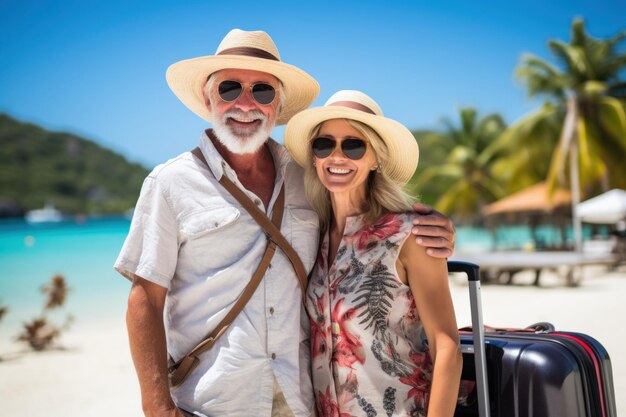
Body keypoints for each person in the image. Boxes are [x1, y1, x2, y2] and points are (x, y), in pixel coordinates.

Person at [114, 29, 456, 417]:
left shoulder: (306, 178)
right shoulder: (171, 182)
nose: (246, 103)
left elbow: (369, 221)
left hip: (300, 401)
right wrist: (157, 408)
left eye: (262, 90)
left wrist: (436, 226)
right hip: (214, 403)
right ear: (209, 98)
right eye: (230, 88)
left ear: (278, 103)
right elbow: (144, 298)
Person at [284, 90, 463, 417]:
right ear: (314, 157)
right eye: (324, 144)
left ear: (376, 158)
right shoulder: (314, 236)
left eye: (353, 145)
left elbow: (448, 347)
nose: (337, 156)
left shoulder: (410, 234)